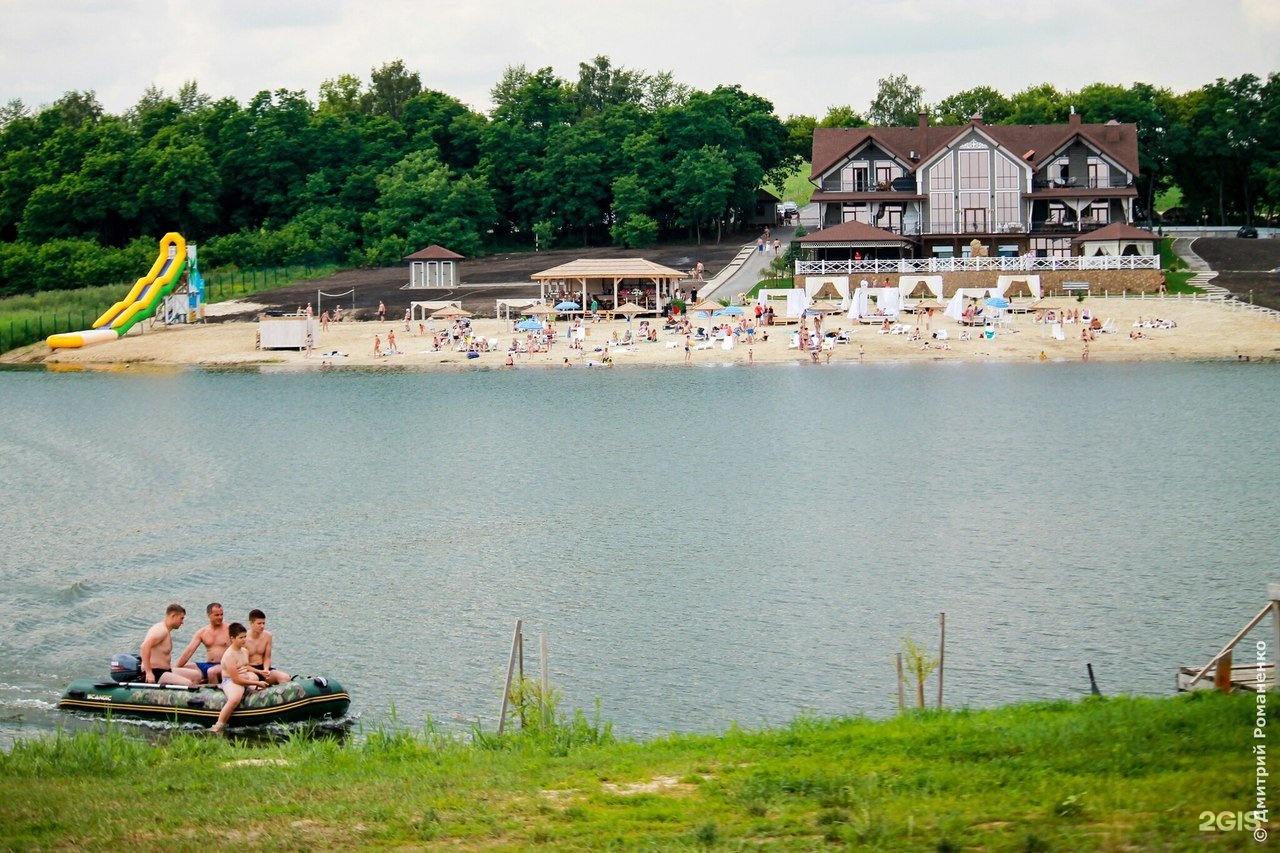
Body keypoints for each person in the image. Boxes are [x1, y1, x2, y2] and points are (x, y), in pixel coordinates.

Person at [210, 622, 266, 734]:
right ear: (232, 638)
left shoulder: (244, 650)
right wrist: (258, 684)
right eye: (241, 637)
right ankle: (218, 725)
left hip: (244, 675)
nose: (244, 639)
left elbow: (245, 665)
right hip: (231, 680)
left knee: (255, 678)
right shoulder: (229, 655)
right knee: (235, 699)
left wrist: (260, 672)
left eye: (245, 637)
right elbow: (236, 679)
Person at [140, 604, 201, 686]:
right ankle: (188, 695)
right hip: (156, 672)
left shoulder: (166, 630)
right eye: (181, 618)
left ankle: (194, 694)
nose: (182, 622)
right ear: (173, 616)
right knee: (188, 683)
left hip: (166, 670)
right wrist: (149, 672)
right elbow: (144, 647)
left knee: (196, 675)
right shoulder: (161, 630)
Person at [176, 602, 231, 684]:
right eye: (217, 615)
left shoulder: (230, 629)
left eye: (221, 614)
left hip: (223, 666)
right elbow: (189, 652)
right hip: (207, 665)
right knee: (182, 669)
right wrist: (177, 667)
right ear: (209, 615)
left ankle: (213, 691)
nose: (220, 617)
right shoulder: (202, 632)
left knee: (211, 672)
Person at [244, 609, 290, 685]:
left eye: (263, 623)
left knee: (285, 677)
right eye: (259, 623)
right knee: (254, 679)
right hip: (250, 670)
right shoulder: (244, 639)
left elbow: (267, 657)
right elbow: (244, 665)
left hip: (264, 668)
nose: (262, 626)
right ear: (251, 623)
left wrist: (265, 669)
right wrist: (259, 672)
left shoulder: (268, 636)